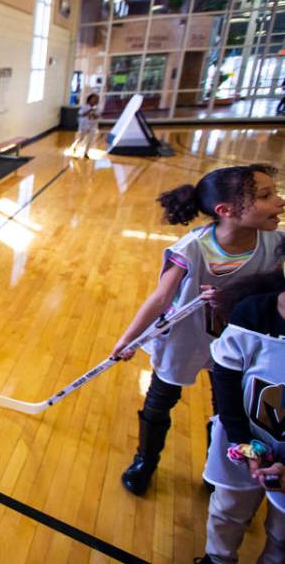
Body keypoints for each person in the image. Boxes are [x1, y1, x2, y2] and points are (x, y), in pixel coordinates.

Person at [112, 164, 284, 495]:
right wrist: (128, 338)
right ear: (226, 211)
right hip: (184, 337)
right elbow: (160, 298)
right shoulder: (192, 248)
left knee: (227, 407)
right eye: (266, 196)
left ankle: (217, 466)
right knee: (160, 401)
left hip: (235, 342)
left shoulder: (275, 244)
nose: (279, 201)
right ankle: (145, 460)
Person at [197, 257, 285, 564]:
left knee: (282, 533)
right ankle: (217, 559)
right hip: (244, 439)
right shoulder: (253, 314)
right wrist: (242, 441)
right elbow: (226, 380)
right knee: (227, 510)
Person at [74, 93, 100, 159]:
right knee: (81, 138)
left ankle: (86, 153)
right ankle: (75, 146)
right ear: (89, 99)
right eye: (93, 99)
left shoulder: (98, 108)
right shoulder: (84, 106)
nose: (95, 101)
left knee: (90, 140)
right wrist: (89, 111)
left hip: (92, 126)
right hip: (84, 125)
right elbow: (81, 114)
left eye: (96, 99)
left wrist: (94, 114)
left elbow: (97, 116)